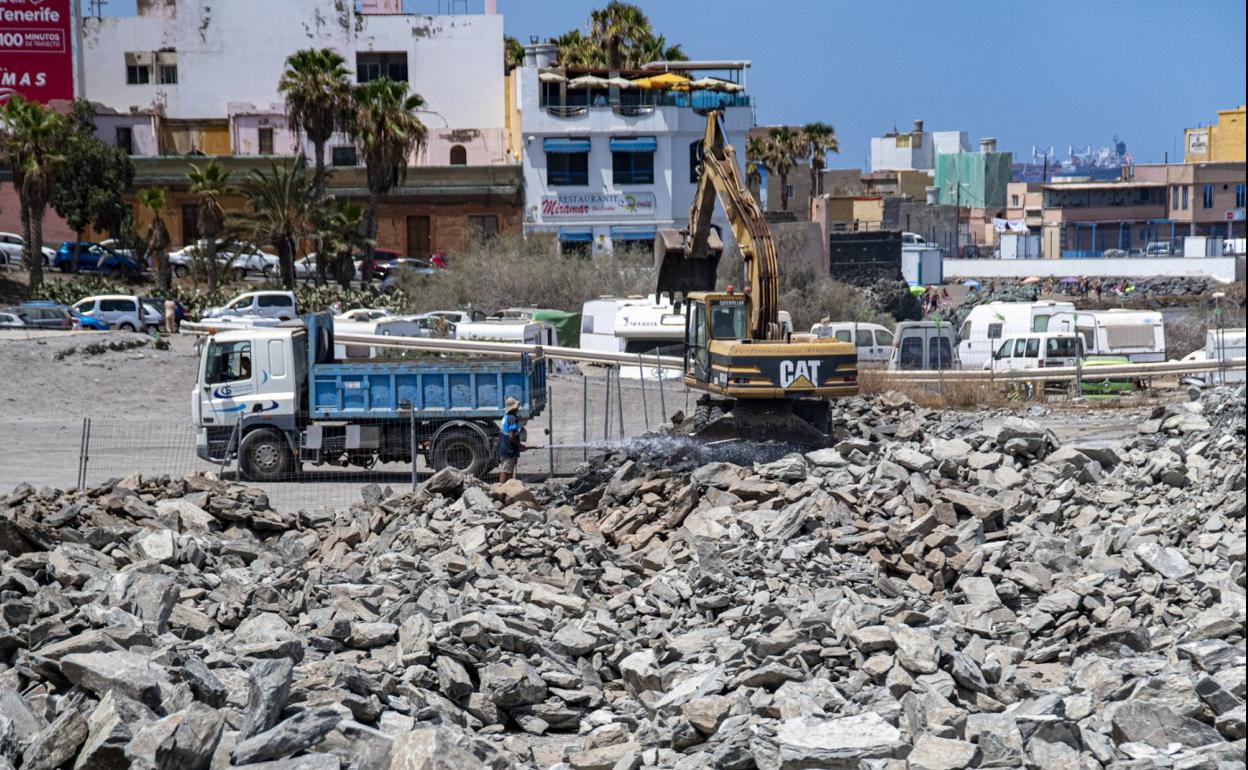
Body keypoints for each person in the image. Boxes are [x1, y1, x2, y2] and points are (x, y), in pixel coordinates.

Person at [496, 396, 525, 483]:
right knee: (506, 471)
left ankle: (505, 489)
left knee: (506, 469)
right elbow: (511, 436)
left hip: (503, 447)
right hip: (508, 448)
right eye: (517, 407)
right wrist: (519, 446)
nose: (518, 409)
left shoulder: (506, 416)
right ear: (514, 408)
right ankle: (501, 489)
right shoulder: (512, 418)